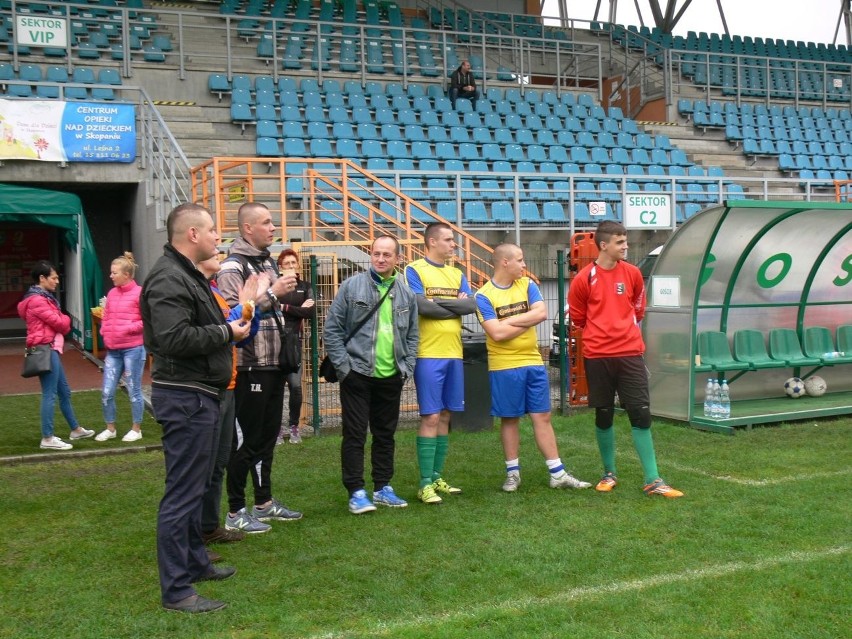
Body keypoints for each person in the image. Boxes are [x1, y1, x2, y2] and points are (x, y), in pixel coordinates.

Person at [141, 203, 251, 613]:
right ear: (191, 234)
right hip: (185, 397)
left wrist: (229, 327)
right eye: (211, 231)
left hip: (199, 393)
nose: (216, 238)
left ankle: (195, 563)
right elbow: (173, 338)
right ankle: (177, 591)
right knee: (182, 494)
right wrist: (227, 331)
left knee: (195, 485)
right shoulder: (169, 278)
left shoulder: (185, 274)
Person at [568, 221, 684, 499]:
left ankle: (653, 479)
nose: (626, 246)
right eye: (620, 242)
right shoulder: (584, 278)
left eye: (626, 241)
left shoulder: (632, 274)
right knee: (604, 413)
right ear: (604, 245)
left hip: (630, 353)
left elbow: (638, 309)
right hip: (598, 356)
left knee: (640, 412)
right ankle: (609, 473)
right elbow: (578, 317)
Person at [474, 244, 591, 493]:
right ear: (504, 262)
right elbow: (496, 333)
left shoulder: (527, 285)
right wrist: (520, 320)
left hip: (533, 361)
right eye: (520, 260)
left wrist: (509, 321)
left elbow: (541, 313)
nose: (524, 265)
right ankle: (512, 473)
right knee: (510, 418)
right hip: (504, 366)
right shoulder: (483, 295)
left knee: (543, 416)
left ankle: (557, 473)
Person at [217, 202, 302, 535]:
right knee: (247, 441)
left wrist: (279, 297)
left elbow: (270, 306)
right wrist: (272, 293)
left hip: (274, 364)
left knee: (267, 437)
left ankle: (264, 502)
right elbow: (234, 315)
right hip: (250, 365)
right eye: (266, 223)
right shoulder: (231, 267)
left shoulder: (267, 261)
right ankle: (235, 509)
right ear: (247, 228)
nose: (273, 228)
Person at [323, 235, 419, 514]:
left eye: (387, 254)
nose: (380, 259)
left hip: (391, 375)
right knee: (354, 434)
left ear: (397, 259)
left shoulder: (406, 293)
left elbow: (413, 335)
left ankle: (382, 487)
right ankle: (356, 491)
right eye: (376, 253)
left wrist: (407, 367)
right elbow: (332, 329)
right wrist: (345, 368)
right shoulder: (352, 286)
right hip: (357, 374)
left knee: (385, 434)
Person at [404, 222, 477, 505]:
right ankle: (423, 484)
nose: (453, 245)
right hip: (428, 354)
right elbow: (421, 307)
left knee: (446, 415)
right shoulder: (414, 269)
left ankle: (436, 477)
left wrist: (439, 304)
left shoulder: (457, 273)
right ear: (432, 242)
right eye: (448, 240)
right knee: (431, 416)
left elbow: (470, 306)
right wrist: (452, 306)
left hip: (454, 354)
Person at [198, 255, 265, 553]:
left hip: (228, 386)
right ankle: (195, 535)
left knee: (219, 462)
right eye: (214, 254)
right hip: (209, 389)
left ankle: (209, 527)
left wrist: (254, 307)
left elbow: (240, 334)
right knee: (203, 465)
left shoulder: (212, 292)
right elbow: (221, 329)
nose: (220, 258)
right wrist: (247, 305)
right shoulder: (200, 293)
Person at [18, 260, 94, 451]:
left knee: (64, 392)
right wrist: (66, 317)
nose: (57, 281)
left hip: (48, 348)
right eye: (53, 277)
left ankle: (75, 429)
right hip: (45, 348)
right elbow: (61, 324)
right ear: (42, 278)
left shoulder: (41, 298)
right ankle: (47, 437)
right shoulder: (38, 300)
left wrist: (62, 318)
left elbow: (58, 321)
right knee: (50, 394)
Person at [95, 252, 146, 443]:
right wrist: (105, 332)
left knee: (134, 389)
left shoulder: (140, 293)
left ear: (127, 274)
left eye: (114, 272)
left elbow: (146, 321)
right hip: (113, 350)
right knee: (106, 391)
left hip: (133, 349)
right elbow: (106, 316)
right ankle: (110, 428)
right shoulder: (112, 293)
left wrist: (127, 329)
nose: (111, 275)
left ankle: (136, 428)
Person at [274, 248, 316, 445]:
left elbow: (310, 312)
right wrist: (297, 309)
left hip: (295, 343)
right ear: (280, 267)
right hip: (274, 342)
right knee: (275, 387)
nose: (291, 266)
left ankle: (293, 426)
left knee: (296, 386)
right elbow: (270, 307)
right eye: (287, 263)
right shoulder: (275, 287)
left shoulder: (305, 286)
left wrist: (284, 308)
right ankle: (276, 428)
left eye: (293, 263)